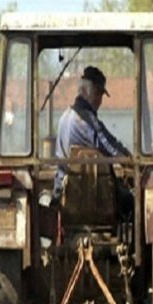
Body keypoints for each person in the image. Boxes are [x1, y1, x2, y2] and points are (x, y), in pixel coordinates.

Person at [52, 66, 133, 214]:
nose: (100, 101)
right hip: (86, 193)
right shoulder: (86, 119)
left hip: (64, 191)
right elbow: (110, 147)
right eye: (99, 95)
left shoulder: (65, 116)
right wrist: (130, 160)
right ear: (90, 92)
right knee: (130, 201)